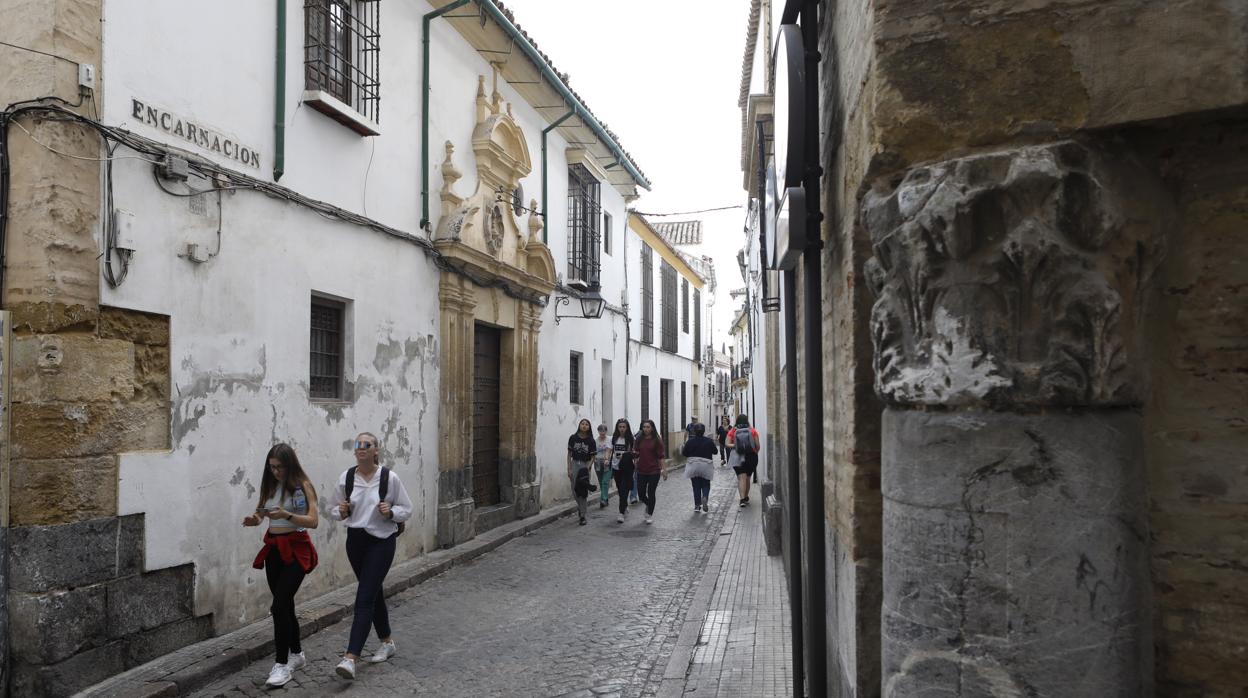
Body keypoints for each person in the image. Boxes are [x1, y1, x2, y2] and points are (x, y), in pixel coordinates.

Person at [329, 432, 414, 680]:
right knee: (373, 592)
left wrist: (391, 512)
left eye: (367, 445)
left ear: (377, 450)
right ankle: (387, 641)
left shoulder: (389, 478)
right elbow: (333, 508)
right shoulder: (347, 478)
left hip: (381, 542)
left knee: (364, 597)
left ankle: (350, 657)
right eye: (357, 445)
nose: (361, 448)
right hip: (355, 541)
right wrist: (341, 510)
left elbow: (406, 509)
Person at [244, 443, 319, 688]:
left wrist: (285, 515)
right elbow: (260, 514)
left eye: (280, 467)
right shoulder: (270, 485)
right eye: (272, 467)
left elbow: (313, 521)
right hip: (274, 551)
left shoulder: (303, 485)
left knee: (277, 607)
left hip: (297, 550)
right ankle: (297, 655)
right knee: (285, 605)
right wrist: (254, 519)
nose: (276, 472)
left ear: (290, 465)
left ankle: (281, 664)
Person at [632, 419, 668, 525]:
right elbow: (636, 452)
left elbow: (661, 456)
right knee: (641, 493)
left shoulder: (657, 440)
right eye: (644, 427)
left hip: (654, 471)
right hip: (641, 470)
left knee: (651, 493)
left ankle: (649, 514)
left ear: (652, 428)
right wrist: (635, 460)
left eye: (648, 427)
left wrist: (664, 470)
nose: (646, 429)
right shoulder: (639, 439)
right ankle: (649, 504)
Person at [567, 419, 598, 525]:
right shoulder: (573, 438)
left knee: (583, 491)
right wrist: (569, 468)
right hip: (575, 464)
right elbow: (569, 455)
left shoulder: (591, 441)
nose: (584, 426)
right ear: (579, 425)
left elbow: (593, 457)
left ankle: (583, 516)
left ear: (589, 427)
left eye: (586, 424)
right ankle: (581, 508)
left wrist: (587, 468)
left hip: (585, 465)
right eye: (582, 424)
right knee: (575, 490)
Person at [681, 424, 717, 513]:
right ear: (704, 431)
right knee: (706, 484)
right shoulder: (709, 441)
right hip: (706, 465)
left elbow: (684, 453)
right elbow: (715, 452)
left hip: (693, 465)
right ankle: (704, 496)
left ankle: (697, 505)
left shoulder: (690, 442)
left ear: (694, 431)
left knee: (696, 485)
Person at [727, 415, 761, 507]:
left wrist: (736, 446)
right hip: (751, 456)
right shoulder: (752, 431)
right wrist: (755, 452)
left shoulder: (733, 431)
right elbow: (757, 445)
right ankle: (746, 496)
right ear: (747, 421)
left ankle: (742, 499)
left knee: (741, 478)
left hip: (737, 456)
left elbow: (727, 444)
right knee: (748, 478)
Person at [610, 419, 636, 523]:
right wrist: (608, 460)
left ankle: (621, 513)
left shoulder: (631, 439)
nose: (622, 429)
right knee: (620, 489)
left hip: (627, 467)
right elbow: (611, 450)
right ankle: (624, 506)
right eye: (620, 427)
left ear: (627, 428)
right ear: (617, 428)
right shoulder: (614, 438)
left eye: (624, 427)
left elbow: (634, 452)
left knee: (624, 489)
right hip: (616, 467)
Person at [594, 423, 614, 509]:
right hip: (598, 462)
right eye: (600, 431)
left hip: (607, 462)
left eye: (604, 430)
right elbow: (593, 452)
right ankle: (605, 500)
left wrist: (609, 459)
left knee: (605, 481)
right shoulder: (595, 441)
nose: (602, 432)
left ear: (606, 431)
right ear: (598, 431)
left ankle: (603, 499)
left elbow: (612, 450)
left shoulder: (610, 439)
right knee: (601, 481)